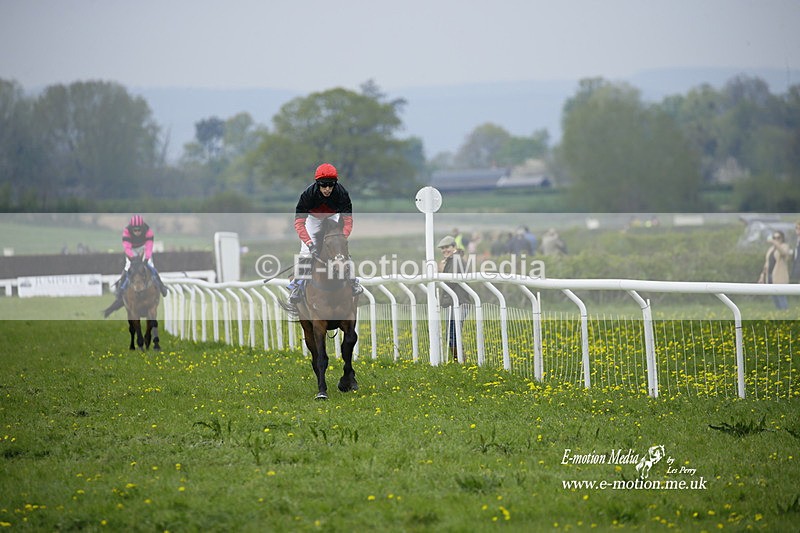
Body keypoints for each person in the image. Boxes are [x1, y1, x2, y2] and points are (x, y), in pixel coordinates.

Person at [287, 163, 363, 306]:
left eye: (331, 185)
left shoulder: (342, 193)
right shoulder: (307, 195)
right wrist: (310, 244)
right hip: (312, 219)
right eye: (323, 185)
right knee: (305, 252)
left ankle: (353, 282)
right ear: (317, 184)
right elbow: (299, 223)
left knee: (340, 250)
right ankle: (297, 286)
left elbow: (348, 221)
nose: (327, 189)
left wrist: (341, 239)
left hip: (333, 216)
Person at [108, 215, 168, 310]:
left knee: (151, 266)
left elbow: (149, 246)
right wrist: (133, 259)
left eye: (139, 230)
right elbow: (127, 248)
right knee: (128, 267)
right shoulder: (126, 232)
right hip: (131, 249)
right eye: (135, 230)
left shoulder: (148, 231)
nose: (137, 232)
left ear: (142, 228)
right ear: (131, 229)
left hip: (143, 248)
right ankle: (120, 289)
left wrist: (146, 259)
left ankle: (161, 286)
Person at [438, 235, 469, 362]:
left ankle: (461, 361)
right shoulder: (452, 260)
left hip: (459, 302)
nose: (445, 250)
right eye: (443, 248)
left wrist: (439, 272)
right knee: (452, 336)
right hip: (455, 302)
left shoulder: (456, 260)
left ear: (454, 247)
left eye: (447, 247)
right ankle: (460, 361)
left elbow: (451, 281)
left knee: (453, 336)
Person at [759, 230, 791, 310]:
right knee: (774, 297)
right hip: (770, 276)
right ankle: (780, 314)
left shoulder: (784, 246)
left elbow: (783, 252)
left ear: (782, 238)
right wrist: (762, 276)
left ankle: (785, 313)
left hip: (779, 277)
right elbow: (767, 263)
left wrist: (774, 243)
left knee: (781, 296)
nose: (776, 239)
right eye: (774, 237)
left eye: (778, 238)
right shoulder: (771, 249)